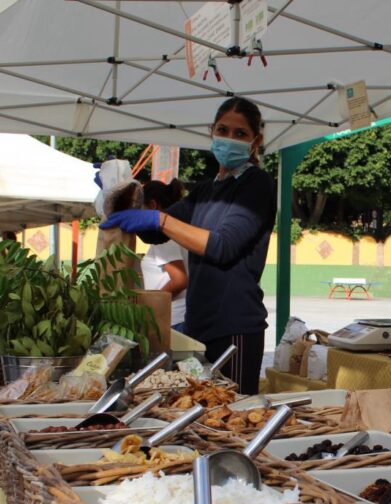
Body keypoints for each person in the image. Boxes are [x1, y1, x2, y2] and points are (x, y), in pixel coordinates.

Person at [100, 97, 276, 395]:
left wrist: (159, 219)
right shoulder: (207, 190)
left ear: (255, 141)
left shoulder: (258, 185)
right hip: (198, 326)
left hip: (235, 328)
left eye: (240, 134)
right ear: (212, 131)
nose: (229, 139)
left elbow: (222, 246)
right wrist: (121, 197)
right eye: (222, 130)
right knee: (199, 412)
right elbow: (156, 234)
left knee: (233, 418)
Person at [140, 179, 189, 332]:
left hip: (172, 318)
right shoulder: (178, 230)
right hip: (176, 317)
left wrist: (151, 305)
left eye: (141, 210)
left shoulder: (164, 237)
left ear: (153, 205)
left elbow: (180, 280)